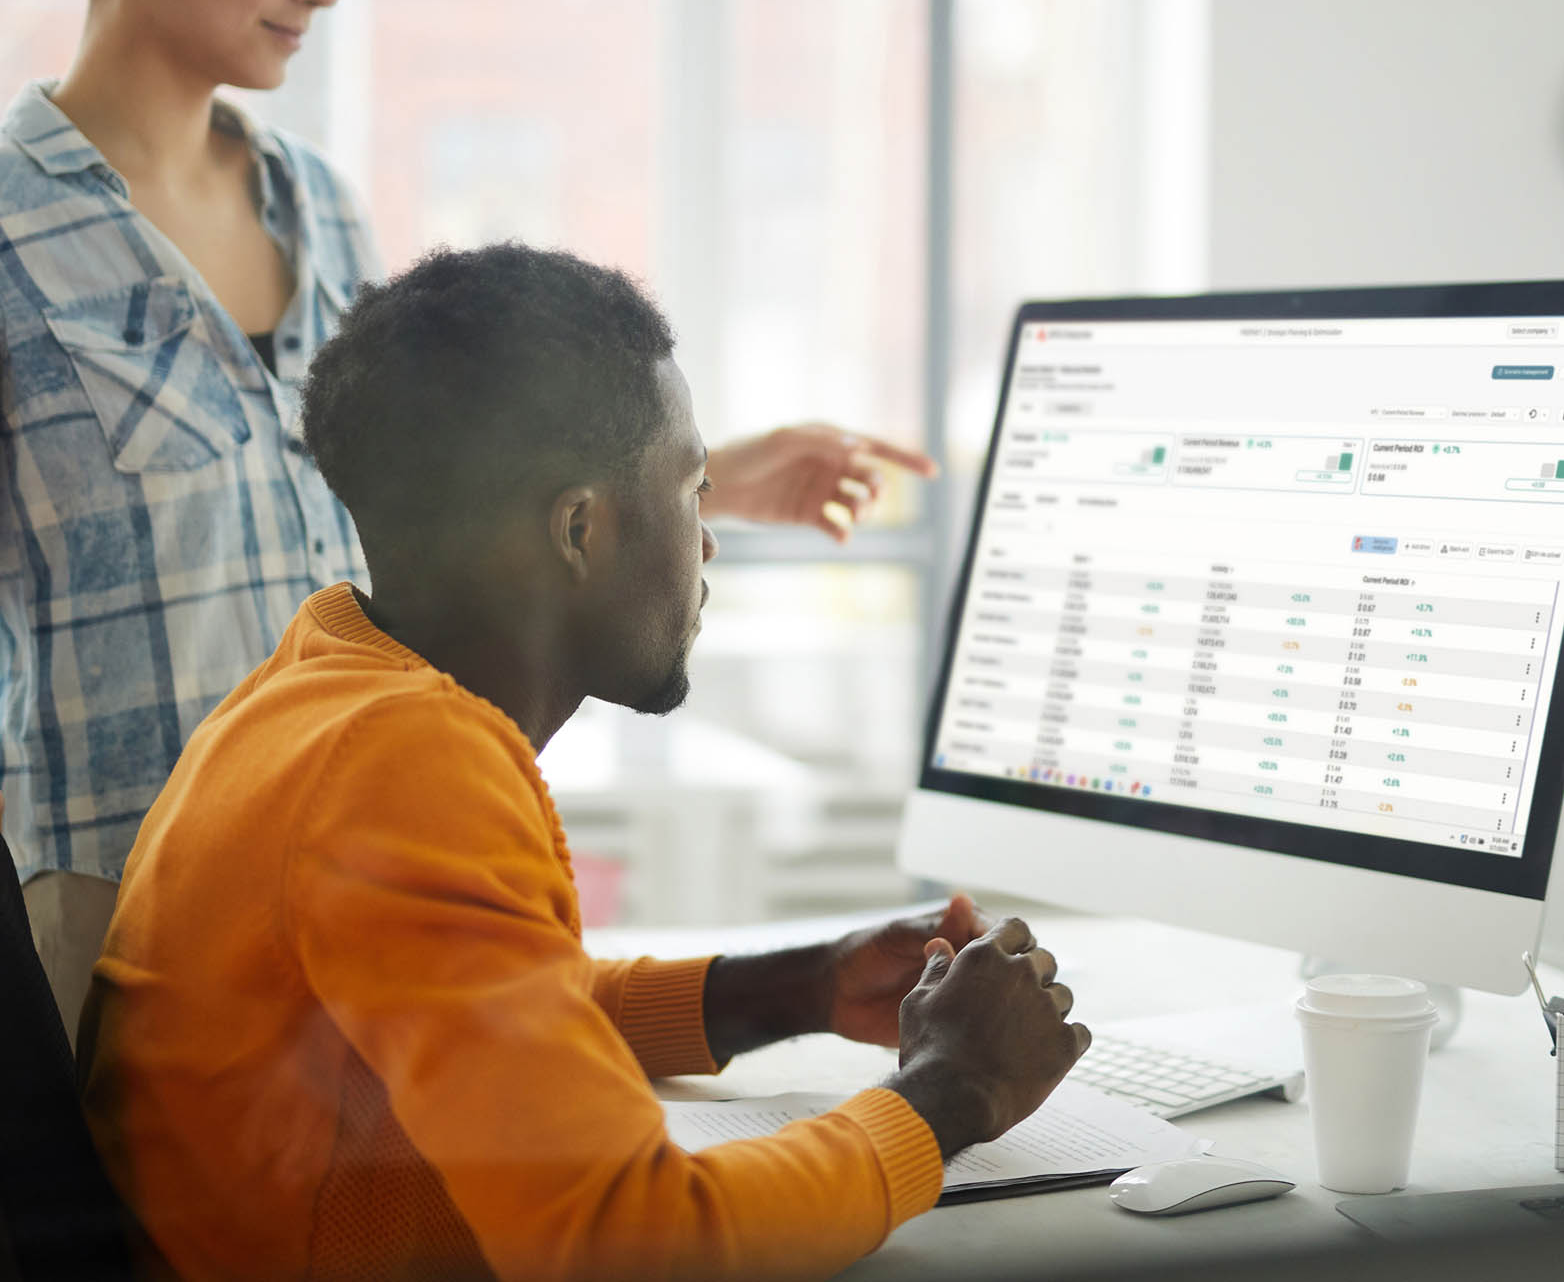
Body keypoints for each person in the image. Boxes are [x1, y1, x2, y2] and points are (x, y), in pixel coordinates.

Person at [0, 0, 933, 1047]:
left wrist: (694, 478)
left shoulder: (317, 207)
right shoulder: (10, 235)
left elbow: (420, 505)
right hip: (120, 955)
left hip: (371, 877)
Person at [77, 243, 1088, 1281]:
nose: (707, 543)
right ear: (577, 527)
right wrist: (953, 1090)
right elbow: (632, 1238)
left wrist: (803, 986)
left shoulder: (318, 683)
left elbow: (500, 1022)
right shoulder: (403, 765)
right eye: (693, 487)